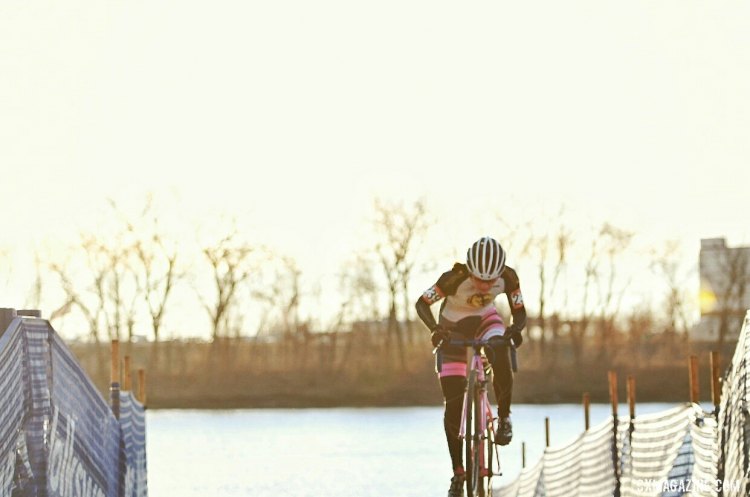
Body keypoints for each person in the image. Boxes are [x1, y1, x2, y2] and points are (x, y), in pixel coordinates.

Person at [415, 236, 527, 497]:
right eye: (479, 279)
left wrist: (514, 330)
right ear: (469, 269)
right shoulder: (452, 278)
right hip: (451, 328)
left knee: (499, 348)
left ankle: (505, 418)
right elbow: (422, 303)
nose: (484, 286)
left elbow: (519, 312)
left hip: (486, 321)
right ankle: (458, 472)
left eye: (490, 281)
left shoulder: (509, 277)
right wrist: (435, 329)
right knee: (453, 404)